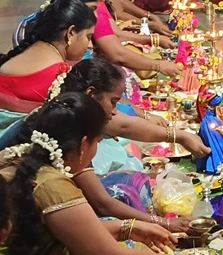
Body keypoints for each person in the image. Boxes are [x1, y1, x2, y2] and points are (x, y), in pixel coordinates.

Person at [0, 92, 177, 254]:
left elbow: (71, 232)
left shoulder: (15, 159)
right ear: (84, 144)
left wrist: (126, 228)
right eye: (97, 142)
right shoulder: (52, 185)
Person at [61, 0, 181, 77]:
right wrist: (158, 65)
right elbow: (116, 52)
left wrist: (152, 32)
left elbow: (116, 33)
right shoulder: (91, 5)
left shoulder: (96, 2)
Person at [0, 0, 96, 113]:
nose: (90, 45)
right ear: (71, 33)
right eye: (88, 37)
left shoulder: (16, 57)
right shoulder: (60, 75)